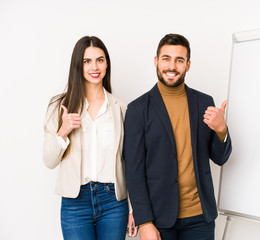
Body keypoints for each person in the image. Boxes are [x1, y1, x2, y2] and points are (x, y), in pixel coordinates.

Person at [124, 33, 232, 240]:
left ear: (188, 65)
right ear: (156, 61)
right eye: (166, 58)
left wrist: (221, 130)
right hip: (158, 218)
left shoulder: (203, 102)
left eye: (179, 60)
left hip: (201, 217)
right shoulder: (138, 109)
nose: (172, 66)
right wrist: (144, 221)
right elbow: (133, 170)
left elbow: (220, 158)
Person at [43, 36, 138, 240]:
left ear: (106, 64)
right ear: (78, 65)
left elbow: (130, 163)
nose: (94, 67)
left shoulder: (122, 108)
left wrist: (133, 209)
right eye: (87, 61)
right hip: (75, 203)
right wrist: (63, 131)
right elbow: (49, 161)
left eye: (100, 60)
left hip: (114, 201)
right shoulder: (60, 106)